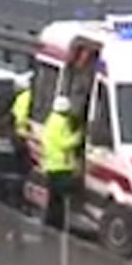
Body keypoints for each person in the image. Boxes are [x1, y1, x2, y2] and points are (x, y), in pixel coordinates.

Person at [39, 95, 84, 227]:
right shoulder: (61, 122)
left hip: (51, 165)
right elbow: (63, 143)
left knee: (53, 199)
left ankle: (50, 224)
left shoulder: (51, 120)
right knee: (61, 200)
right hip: (62, 166)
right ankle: (57, 225)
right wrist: (78, 137)